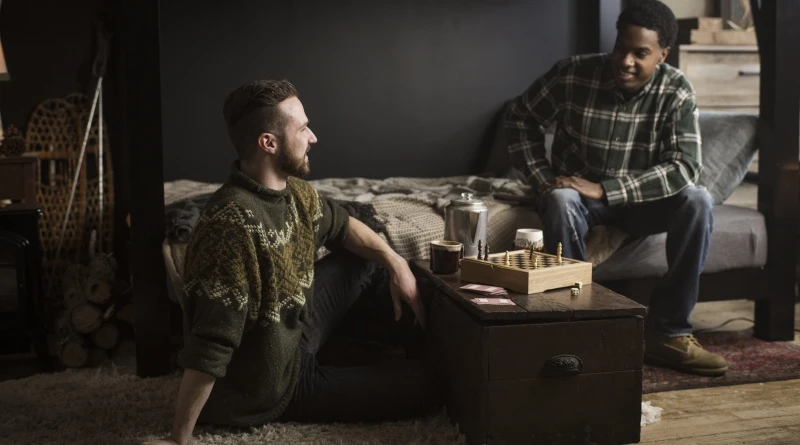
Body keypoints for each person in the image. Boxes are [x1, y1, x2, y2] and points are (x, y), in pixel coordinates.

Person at [144, 80, 436, 445]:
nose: (313, 137)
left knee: (369, 258)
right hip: (268, 387)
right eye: (302, 128)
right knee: (429, 387)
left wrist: (396, 262)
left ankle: (356, 350)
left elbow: (343, 226)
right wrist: (178, 438)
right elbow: (210, 345)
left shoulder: (295, 193)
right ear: (269, 143)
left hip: (289, 333)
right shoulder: (231, 227)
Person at [504, 0, 728, 376]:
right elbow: (520, 118)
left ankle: (670, 333)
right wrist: (543, 179)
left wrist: (607, 189)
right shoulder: (573, 74)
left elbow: (685, 167)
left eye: (640, 53)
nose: (626, 61)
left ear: (662, 55)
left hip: (642, 204)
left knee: (698, 200)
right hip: (576, 200)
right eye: (621, 48)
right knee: (558, 199)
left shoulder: (677, 91)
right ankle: (580, 326)